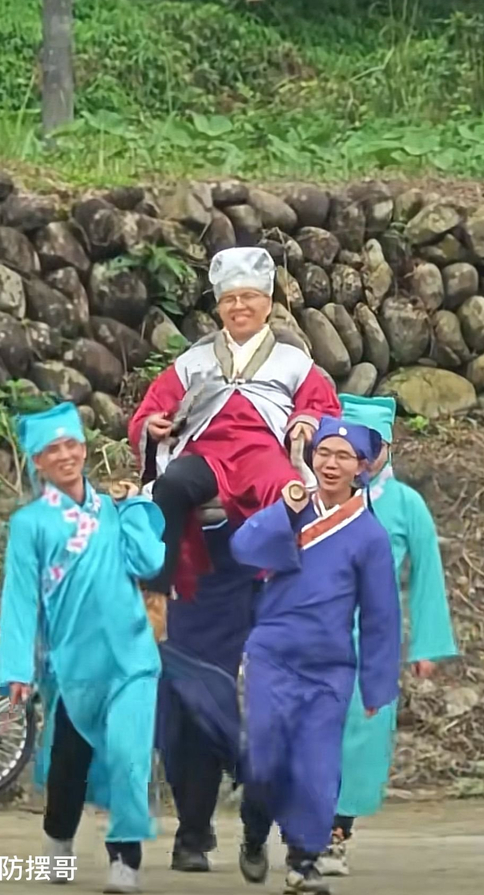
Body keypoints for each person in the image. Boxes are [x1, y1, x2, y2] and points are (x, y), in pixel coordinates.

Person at [0, 402, 165, 895]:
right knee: (70, 763)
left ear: (85, 449)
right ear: (38, 461)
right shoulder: (29, 524)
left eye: (72, 444)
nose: (65, 455)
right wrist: (17, 668)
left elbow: (150, 561)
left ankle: (125, 858)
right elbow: (20, 598)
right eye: (53, 449)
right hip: (74, 666)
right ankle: (59, 838)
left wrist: (133, 507)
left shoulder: (111, 509)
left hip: (132, 658)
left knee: (129, 757)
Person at [230, 416, 401, 895]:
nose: (331, 463)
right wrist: (284, 510)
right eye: (324, 453)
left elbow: (381, 614)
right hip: (272, 655)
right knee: (265, 756)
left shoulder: (369, 535)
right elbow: (243, 547)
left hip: (329, 667)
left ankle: (303, 860)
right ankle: (254, 829)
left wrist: (377, 685)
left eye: (343, 457)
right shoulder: (293, 508)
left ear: (361, 467)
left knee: (316, 765)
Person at [128, 246, 340, 621]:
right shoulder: (195, 360)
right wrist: (153, 424)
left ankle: (286, 596)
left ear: (268, 303)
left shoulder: (293, 360)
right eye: (229, 299)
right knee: (172, 484)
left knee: (287, 493)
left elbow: (321, 405)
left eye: (248, 297)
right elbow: (152, 407)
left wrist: (305, 422)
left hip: (263, 453)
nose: (239, 306)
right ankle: (156, 598)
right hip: (207, 453)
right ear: (219, 307)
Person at [319, 394, 457, 877]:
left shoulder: (405, 504)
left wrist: (427, 645)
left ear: (386, 448)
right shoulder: (321, 497)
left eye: (369, 445)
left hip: (373, 634)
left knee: (362, 733)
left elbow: (427, 575)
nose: (360, 455)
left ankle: (337, 833)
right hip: (315, 631)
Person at [156, 520, 257, 872]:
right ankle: (194, 823)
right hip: (175, 600)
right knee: (175, 724)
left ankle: (192, 833)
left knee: (209, 720)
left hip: (229, 598)